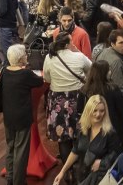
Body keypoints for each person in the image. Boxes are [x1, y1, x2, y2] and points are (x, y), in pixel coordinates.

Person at [0, 44, 44, 185]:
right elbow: (39, 81)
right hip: (22, 118)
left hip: (8, 117)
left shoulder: (4, 72)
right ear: (21, 58)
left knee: (10, 147)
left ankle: (10, 178)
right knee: (21, 151)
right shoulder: (25, 74)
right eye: (25, 55)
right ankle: (19, 181)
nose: (27, 56)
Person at [55, 94, 123, 185]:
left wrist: (102, 163)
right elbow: (75, 150)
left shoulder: (110, 132)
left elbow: (117, 155)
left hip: (100, 179)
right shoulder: (83, 129)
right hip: (81, 176)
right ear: (88, 111)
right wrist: (62, 172)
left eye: (102, 111)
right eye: (95, 110)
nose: (98, 114)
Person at [44, 32, 92, 163]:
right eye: (71, 42)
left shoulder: (49, 58)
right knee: (79, 133)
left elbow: (47, 78)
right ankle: (81, 166)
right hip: (77, 99)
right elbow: (91, 70)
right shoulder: (79, 57)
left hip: (57, 99)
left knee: (62, 136)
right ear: (66, 44)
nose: (74, 44)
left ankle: (67, 170)